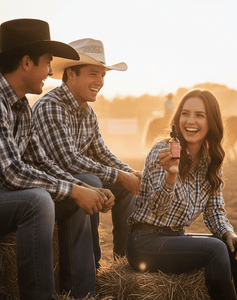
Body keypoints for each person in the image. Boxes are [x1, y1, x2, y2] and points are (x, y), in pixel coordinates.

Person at [0, 19, 115, 299]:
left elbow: (39, 161)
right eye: (48, 62)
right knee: (37, 201)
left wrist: (83, 189)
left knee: (78, 190)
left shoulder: (20, 107)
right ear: (27, 62)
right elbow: (13, 173)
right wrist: (75, 189)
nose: (51, 72)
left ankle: (81, 292)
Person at [126, 89, 237, 300]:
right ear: (178, 118)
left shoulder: (210, 159)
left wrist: (229, 233)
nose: (190, 121)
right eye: (185, 114)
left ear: (211, 121)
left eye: (200, 115)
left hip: (174, 237)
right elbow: (155, 209)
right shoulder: (164, 151)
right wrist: (171, 175)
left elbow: (215, 210)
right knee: (215, 250)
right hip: (145, 242)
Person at [31, 38, 142, 261]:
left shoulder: (87, 111)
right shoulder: (51, 105)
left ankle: (127, 259)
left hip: (74, 177)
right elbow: (67, 161)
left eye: (103, 75)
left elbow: (101, 152)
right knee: (91, 181)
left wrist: (129, 173)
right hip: (49, 183)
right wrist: (120, 175)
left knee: (125, 187)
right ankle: (93, 264)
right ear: (71, 74)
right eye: (94, 74)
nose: (100, 81)